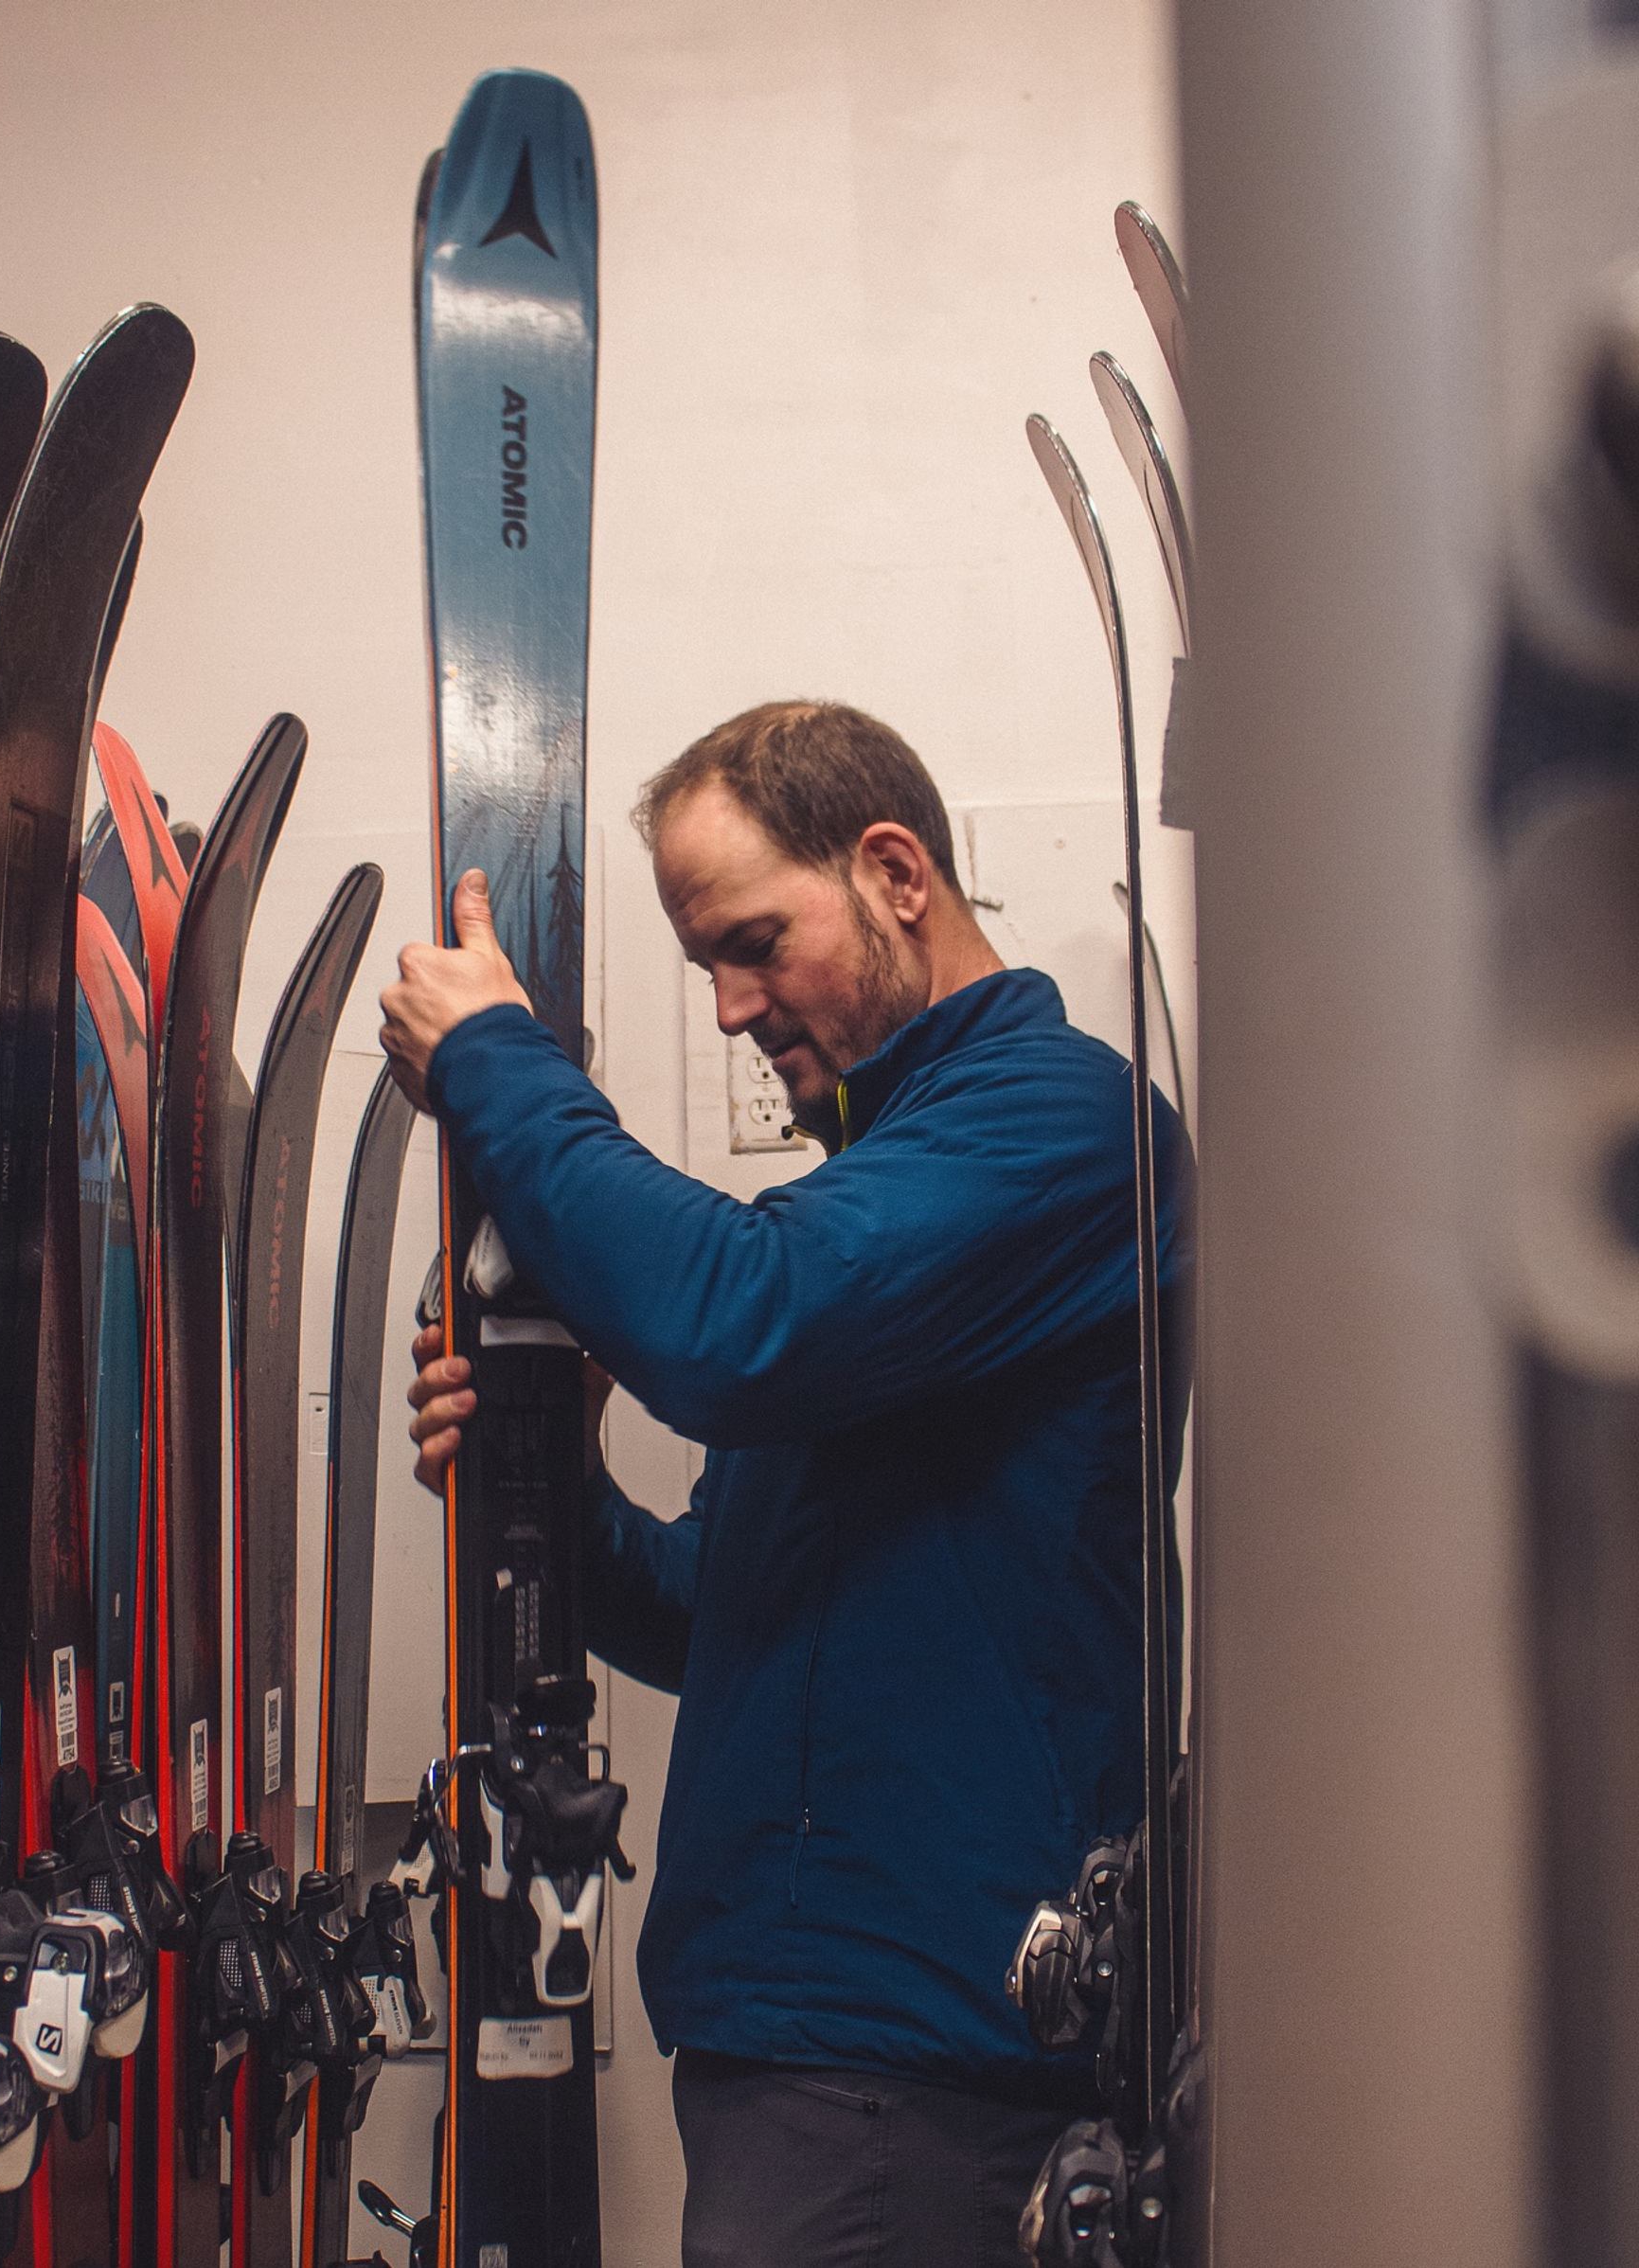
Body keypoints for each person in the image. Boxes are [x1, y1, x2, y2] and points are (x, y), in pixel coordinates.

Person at [378, 699, 1194, 2268]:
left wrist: (493, 1063)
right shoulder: (882, 1203)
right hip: (807, 2051)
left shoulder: (1060, 1129)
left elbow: (734, 1322)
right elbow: (716, 1613)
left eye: (756, 940)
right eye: (706, 965)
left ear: (895, 871)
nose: (737, 1003)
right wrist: (537, 1489)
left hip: (916, 2070)